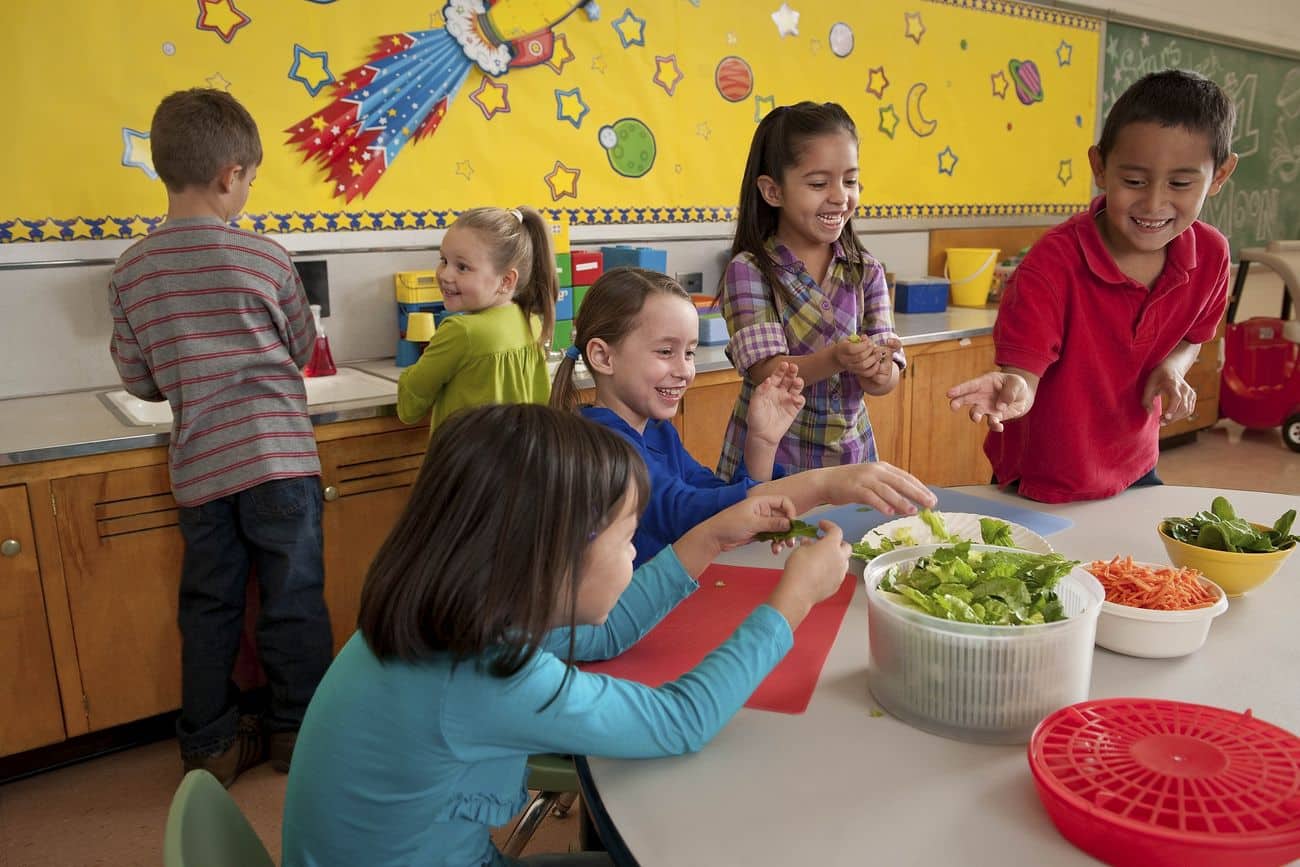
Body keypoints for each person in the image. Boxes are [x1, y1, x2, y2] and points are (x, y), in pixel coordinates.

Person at [280, 404, 851, 867]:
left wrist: (709, 538)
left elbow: (607, 632)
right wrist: (793, 598)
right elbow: (680, 721)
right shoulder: (484, 674)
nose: (633, 552)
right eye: (627, 539)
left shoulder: (452, 618)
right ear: (555, 555)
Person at [107, 88, 333, 787]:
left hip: (202, 469)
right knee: (294, 598)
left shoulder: (131, 271)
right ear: (232, 174)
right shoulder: (266, 258)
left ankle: (206, 744)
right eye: (252, 180)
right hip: (281, 462)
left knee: (210, 607)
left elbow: (140, 379)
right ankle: (300, 734)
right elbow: (300, 343)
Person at [946, 70, 1238, 502]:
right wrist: (1015, 391)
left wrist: (1171, 369)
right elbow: (1024, 374)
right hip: (1042, 481)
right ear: (1100, 167)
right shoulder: (1052, 264)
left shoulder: (1211, 255)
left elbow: (1195, 338)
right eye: (1134, 181)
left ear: (1219, 175)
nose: (1154, 203)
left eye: (1180, 183)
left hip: (1137, 465)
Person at [551, 267, 935, 567]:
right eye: (665, 351)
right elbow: (690, 514)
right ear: (603, 357)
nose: (685, 370)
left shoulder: (657, 431)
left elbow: (714, 498)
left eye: (689, 353)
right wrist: (825, 483)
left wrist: (762, 442)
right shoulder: (601, 447)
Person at [716, 100, 904, 480]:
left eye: (850, 181)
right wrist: (837, 357)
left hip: (852, 459)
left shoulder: (866, 270)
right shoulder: (750, 270)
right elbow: (766, 371)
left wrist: (879, 369)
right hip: (772, 462)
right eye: (819, 184)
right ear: (773, 191)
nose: (839, 196)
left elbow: (887, 376)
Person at [397, 205, 557, 430]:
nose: (445, 274)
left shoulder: (461, 331)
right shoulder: (530, 321)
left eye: (462, 267)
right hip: (521, 462)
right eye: (443, 260)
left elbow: (409, 407)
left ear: (506, 280)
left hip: (468, 464)